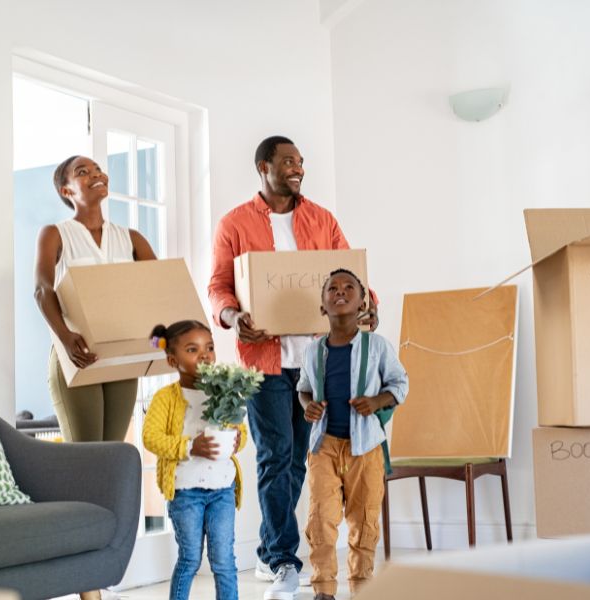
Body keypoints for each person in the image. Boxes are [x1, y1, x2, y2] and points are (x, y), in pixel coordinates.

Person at [208, 136, 378, 600]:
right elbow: (219, 287)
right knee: (274, 455)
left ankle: (268, 551)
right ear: (264, 167)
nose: (297, 168)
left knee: (302, 455)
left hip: (317, 362)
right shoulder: (235, 223)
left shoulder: (321, 219)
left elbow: (353, 276)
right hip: (264, 363)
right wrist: (233, 318)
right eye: (288, 162)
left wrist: (370, 305)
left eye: (301, 162)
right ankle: (282, 557)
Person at [298, 269, 408, 600]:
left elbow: (400, 384)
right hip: (324, 446)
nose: (340, 292)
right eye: (332, 288)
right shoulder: (313, 350)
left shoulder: (377, 347)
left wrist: (377, 401)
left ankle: (363, 586)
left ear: (363, 303)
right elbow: (303, 389)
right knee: (321, 519)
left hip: (366, 448)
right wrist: (308, 405)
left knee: (364, 520)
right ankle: (324, 590)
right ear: (322, 306)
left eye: (349, 288)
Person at [34, 155, 157, 447]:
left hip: (122, 356)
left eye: (98, 169)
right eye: (83, 172)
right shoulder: (55, 234)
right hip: (77, 353)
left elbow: (159, 290)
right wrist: (65, 337)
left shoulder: (131, 239)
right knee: (86, 456)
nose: (96, 174)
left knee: (112, 455)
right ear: (67, 191)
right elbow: (42, 289)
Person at [142, 320, 246, 600]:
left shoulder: (223, 391)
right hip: (186, 493)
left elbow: (240, 430)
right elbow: (151, 438)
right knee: (190, 559)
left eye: (209, 348)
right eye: (193, 349)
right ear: (173, 360)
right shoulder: (166, 398)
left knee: (224, 560)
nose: (204, 355)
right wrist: (190, 447)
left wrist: (238, 439)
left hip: (222, 490)